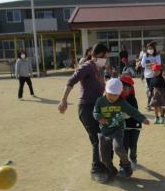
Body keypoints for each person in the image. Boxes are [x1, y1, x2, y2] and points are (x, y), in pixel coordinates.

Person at [58, 43, 109, 183]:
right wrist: (63, 100)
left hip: (97, 108)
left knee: (104, 136)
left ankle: (104, 165)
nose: (104, 58)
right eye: (102, 56)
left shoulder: (99, 69)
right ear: (94, 55)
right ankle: (96, 169)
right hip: (86, 108)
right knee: (96, 139)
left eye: (106, 56)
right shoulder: (87, 66)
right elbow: (71, 80)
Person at [93, 78, 149, 180]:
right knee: (103, 158)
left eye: (116, 95)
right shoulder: (100, 101)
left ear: (120, 94)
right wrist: (99, 117)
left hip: (117, 130)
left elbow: (132, 111)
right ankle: (112, 170)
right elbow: (95, 112)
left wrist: (142, 118)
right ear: (106, 90)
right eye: (110, 94)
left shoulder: (121, 102)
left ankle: (126, 165)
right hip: (104, 132)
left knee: (118, 148)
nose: (113, 97)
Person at [119, 75, 141, 169]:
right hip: (123, 127)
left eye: (125, 88)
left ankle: (133, 158)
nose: (123, 90)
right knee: (124, 146)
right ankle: (123, 165)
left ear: (130, 89)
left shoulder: (132, 99)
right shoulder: (116, 98)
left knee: (133, 145)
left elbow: (133, 112)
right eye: (121, 88)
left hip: (134, 126)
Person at [141, 42, 162, 109]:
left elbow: (158, 64)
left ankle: (150, 104)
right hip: (147, 75)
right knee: (148, 90)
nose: (150, 49)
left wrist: (149, 64)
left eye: (151, 48)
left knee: (153, 90)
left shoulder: (157, 55)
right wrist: (153, 64)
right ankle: (151, 103)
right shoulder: (145, 55)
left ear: (154, 49)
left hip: (154, 75)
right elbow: (142, 64)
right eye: (148, 48)